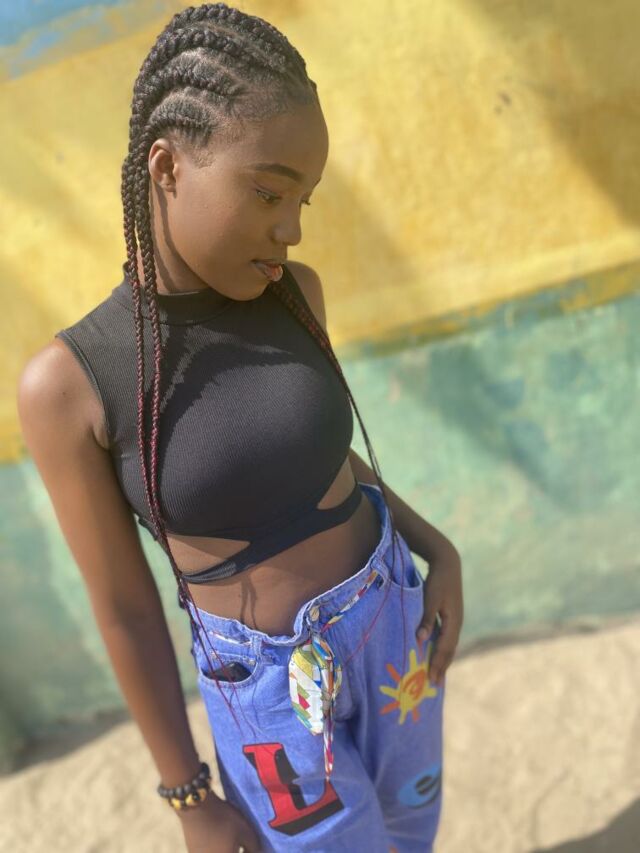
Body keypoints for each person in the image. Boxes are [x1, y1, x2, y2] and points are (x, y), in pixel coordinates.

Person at [16, 4, 463, 852]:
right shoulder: (71, 384)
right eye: (267, 192)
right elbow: (126, 610)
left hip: (394, 624)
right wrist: (189, 796)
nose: (290, 228)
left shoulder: (296, 295)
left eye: (303, 199)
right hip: (266, 694)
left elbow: (330, 465)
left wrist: (439, 548)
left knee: (412, 831)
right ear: (167, 166)